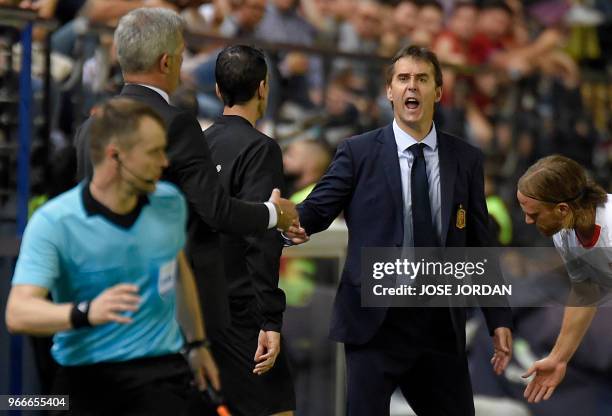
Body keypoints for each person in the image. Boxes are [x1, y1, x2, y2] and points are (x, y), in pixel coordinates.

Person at [287, 45, 514, 415]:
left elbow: (479, 242)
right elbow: (317, 210)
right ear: (389, 91)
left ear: (438, 92)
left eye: (423, 79)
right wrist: (286, 220)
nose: (413, 87)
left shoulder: (466, 158)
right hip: (376, 324)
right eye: (404, 79)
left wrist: (498, 317)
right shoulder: (357, 152)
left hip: (440, 324)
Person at [73, 8, 298, 332]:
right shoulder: (176, 123)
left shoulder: (90, 126)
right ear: (167, 62)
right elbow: (216, 211)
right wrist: (275, 214)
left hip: (97, 292)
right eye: (180, 54)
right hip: (160, 304)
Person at [5, 98, 220, 415]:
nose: (164, 162)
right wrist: (86, 313)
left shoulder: (171, 203)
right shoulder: (55, 222)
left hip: (161, 373)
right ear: (115, 156)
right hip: (86, 379)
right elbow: (18, 313)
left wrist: (197, 344)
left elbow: (177, 269)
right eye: (154, 152)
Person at [203, 44, 295, 416]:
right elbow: (261, 236)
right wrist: (269, 319)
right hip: (242, 314)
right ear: (263, 88)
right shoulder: (262, 150)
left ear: (217, 90)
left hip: (198, 308)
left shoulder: (197, 146)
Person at [517, 155, 611, 403]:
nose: (527, 221)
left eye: (534, 215)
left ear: (562, 209)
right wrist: (558, 358)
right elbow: (586, 291)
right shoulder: (564, 233)